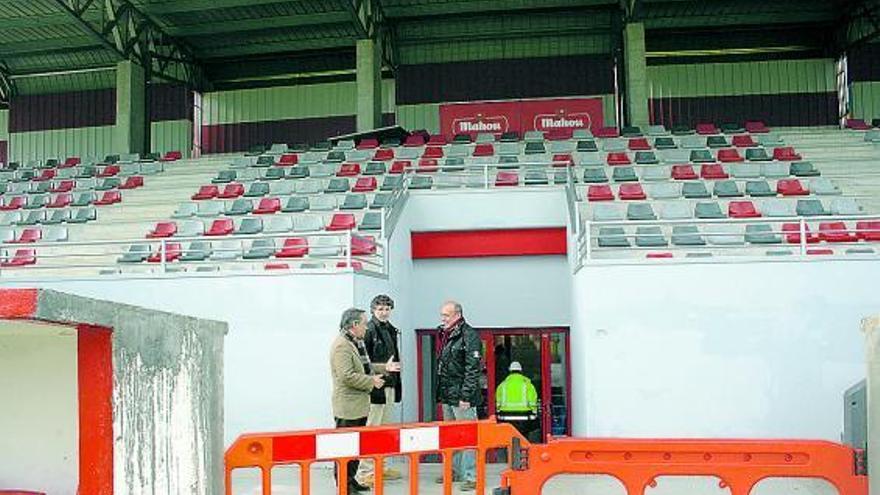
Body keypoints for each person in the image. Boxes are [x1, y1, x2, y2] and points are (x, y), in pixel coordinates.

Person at [330, 308, 400, 493]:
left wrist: (384, 367)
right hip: (348, 407)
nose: (366, 328)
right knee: (345, 449)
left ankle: (351, 481)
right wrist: (372, 381)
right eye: (363, 323)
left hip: (358, 406)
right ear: (354, 325)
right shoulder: (342, 346)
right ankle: (344, 486)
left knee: (354, 448)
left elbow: (363, 367)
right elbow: (346, 376)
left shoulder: (354, 342)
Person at [356, 295, 403, 487]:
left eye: (387, 308)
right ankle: (365, 471)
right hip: (375, 387)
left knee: (384, 430)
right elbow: (362, 363)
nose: (384, 312)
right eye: (380, 309)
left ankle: (380, 467)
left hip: (389, 384)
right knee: (372, 430)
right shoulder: (369, 331)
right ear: (373, 310)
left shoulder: (391, 329)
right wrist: (385, 368)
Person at [435, 300, 481, 491]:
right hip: (448, 395)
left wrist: (466, 396)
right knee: (451, 436)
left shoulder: (469, 336)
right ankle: (453, 472)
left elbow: (473, 368)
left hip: (462, 398)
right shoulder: (447, 335)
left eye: (446, 315)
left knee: (469, 436)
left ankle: (472, 476)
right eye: (442, 315)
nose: (442, 318)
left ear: (457, 315)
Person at [495, 361, 540, 441]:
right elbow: (533, 402)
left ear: (510, 371)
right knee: (524, 438)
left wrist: (499, 411)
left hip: (506, 418)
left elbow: (498, 403)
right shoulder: (528, 384)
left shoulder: (502, 385)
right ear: (521, 371)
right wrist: (534, 413)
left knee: (508, 440)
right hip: (524, 419)